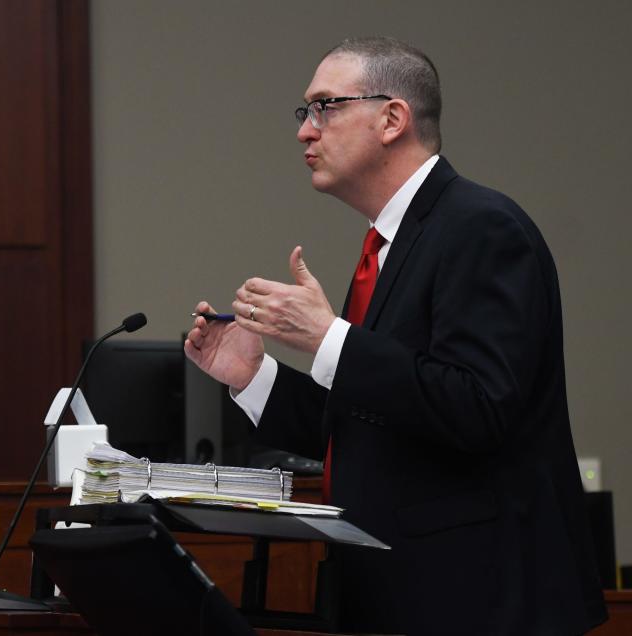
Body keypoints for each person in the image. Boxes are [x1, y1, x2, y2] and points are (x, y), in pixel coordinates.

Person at [185, 36, 607, 635]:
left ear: (392, 119)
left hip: (479, 601)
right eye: (305, 112)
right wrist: (255, 378)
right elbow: (371, 427)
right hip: (402, 594)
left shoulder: (482, 228)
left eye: (324, 107)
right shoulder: (394, 242)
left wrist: (329, 336)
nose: (306, 131)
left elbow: (477, 408)